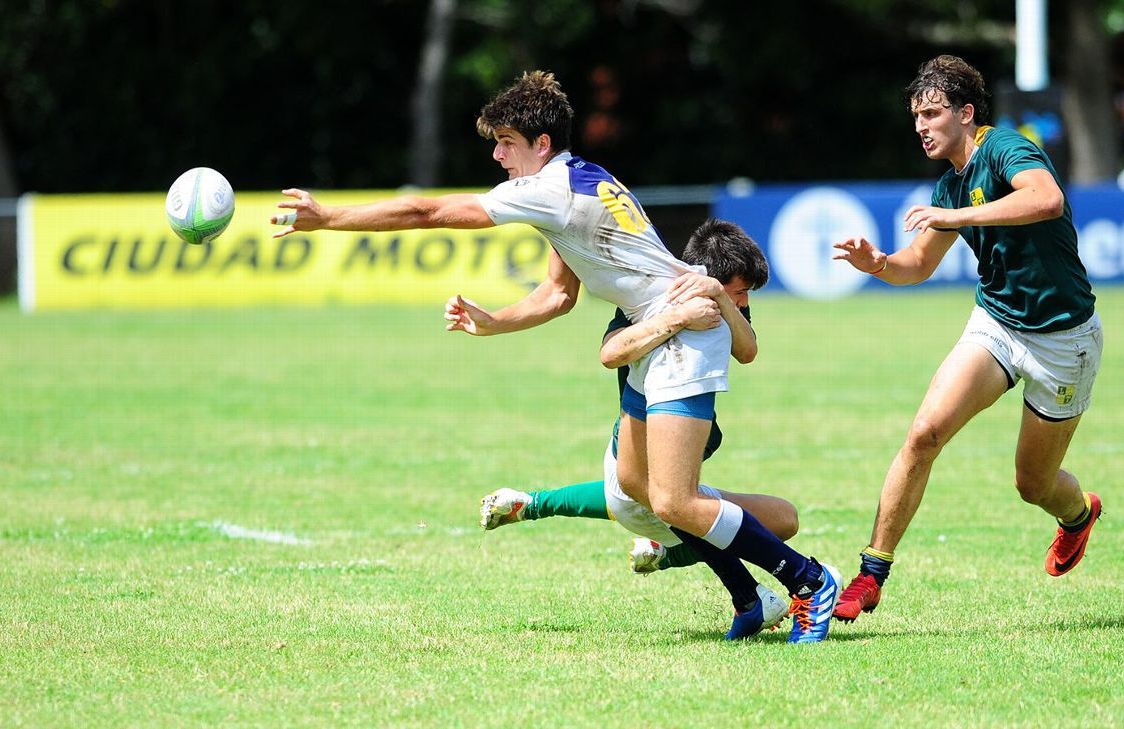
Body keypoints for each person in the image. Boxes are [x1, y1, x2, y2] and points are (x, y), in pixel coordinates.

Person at [272, 71, 840, 643]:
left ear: (541, 145)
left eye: (506, 143)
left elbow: (425, 213)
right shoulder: (579, 181)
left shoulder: (549, 189)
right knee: (636, 485)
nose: (496, 155)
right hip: (655, 327)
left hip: (684, 331)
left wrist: (330, 219)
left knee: (672, 497)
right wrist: (495, 323)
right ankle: (749, 597)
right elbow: (558, 295)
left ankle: (809, 581)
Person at [831, 55, 1104, 622]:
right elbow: (917, 264)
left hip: (1064, 339)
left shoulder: (1006, 149)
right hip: (999, 323)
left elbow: (1045, 199)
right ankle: (870, 574)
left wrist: (956, 219)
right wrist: (878, 263)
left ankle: (1077, 516)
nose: (922, 127)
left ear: (966, 113)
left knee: (1033, 484)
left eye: (932, 114)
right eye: (916, 118)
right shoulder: (951, 184)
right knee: (925, 433)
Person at [480, 219, 798, 586]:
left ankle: (736, 588)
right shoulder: (650, 299)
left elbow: (748, 350)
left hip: (683, 432)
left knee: (666, 505)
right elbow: (611, 352)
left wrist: (723, 297)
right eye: (740, 291)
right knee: (659, 504)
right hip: (638, 431)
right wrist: (678, 317)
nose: (744, 301)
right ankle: (794, 582)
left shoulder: (725, 301)